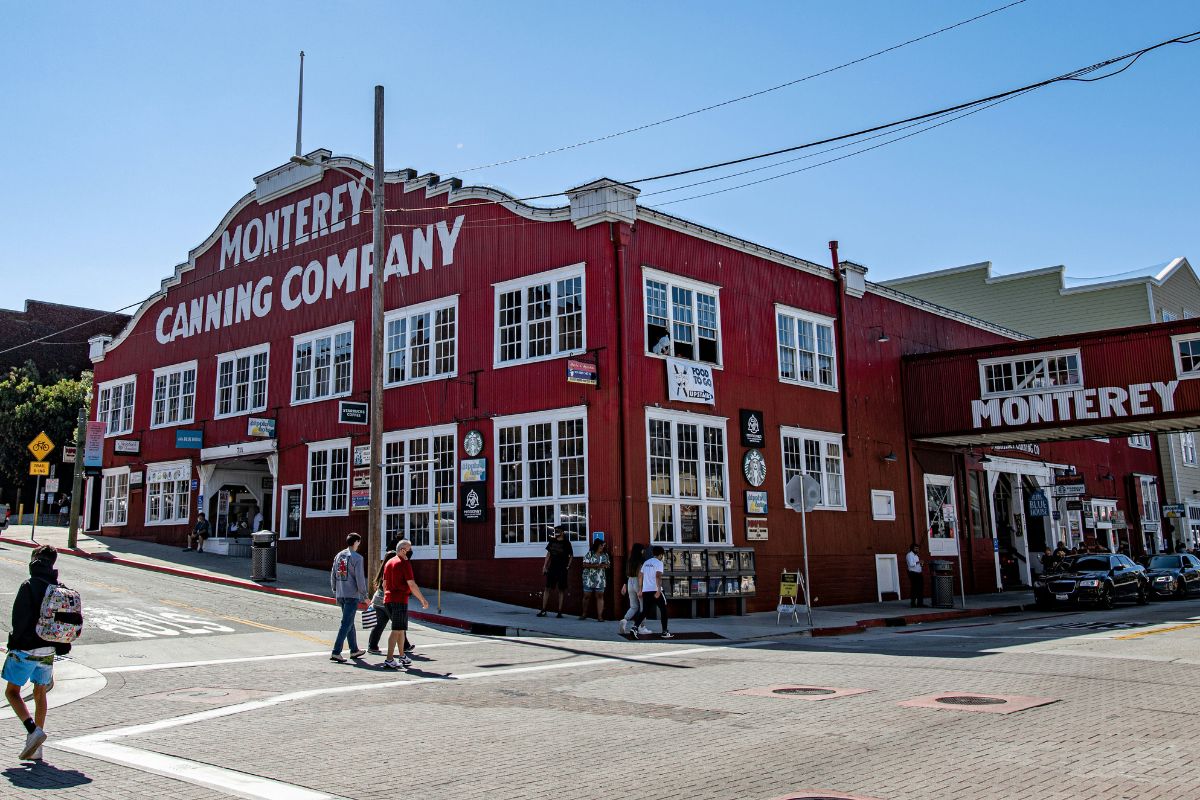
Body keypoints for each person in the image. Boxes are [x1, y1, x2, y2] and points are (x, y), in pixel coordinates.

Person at [5, 546, 78, 761]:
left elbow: (19, 620)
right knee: (40, 693)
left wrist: (14, 643)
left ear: (35, 559)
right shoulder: (56, 587)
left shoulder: (28, 585)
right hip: (48, 649)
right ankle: (36, 748)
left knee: (12, 692)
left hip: (25, 648)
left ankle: (32, 730)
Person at [381, 539, 429, 669]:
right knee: (396, 630)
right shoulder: (404, 563)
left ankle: (402, 656)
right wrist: (422, 599)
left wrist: (387, 596)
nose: (411, 551)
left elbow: (384, 584)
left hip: (388, 600)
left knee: (401, 629)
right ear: (402, 550)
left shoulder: (389, 562)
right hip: (399, 600)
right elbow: (411, 584)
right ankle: (389, 659)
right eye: (409, 549)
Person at [366, 551, 418, 656]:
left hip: (378, 600)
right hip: (388, 601)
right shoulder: (392, 569)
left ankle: (372, 646)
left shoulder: (383, 569)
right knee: (399, 624)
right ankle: (405, 646)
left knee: (379, 625)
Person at [329, 533, 367, 663]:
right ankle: (336, 651)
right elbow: (360, 579)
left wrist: (334, 589)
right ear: (356, 542)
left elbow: (333, 574)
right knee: (346, 623)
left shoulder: (339, 555)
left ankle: (354, 649)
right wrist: (365, 595)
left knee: (349, 622)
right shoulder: (357, 558)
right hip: (351, 594)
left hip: (341, 592)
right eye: (359, 542)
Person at [630, 545, 671, 639]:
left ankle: (635, 627)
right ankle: (665, 632)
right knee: (663, 610)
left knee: (644, 611)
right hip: (656, 590)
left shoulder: (646, 562)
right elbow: (658, 576)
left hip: (646, 590)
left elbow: (640, 575)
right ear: (661, 555)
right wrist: (658, 590)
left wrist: (640, 590)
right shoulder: (659, 563)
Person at [537, 525, 574, 618]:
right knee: (547, 588)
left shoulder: (566, 543)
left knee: (561, 590)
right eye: (555, 531)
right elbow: (548, 554)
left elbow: (571, 555)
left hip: (562, 568)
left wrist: (568, 566)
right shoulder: (552, 541)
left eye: (558, 531)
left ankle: (559, 612)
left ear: (562, 532)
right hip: (552, 567)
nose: (556, 532)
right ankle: (543, 610)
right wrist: (544, 566)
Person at [618, 542, 647, 635]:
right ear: (640, 550)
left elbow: (625, 574)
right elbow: (640, 575)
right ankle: (642, 627)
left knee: (633, 606)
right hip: (638, 583)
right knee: (643, 607)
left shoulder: (629, 560)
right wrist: (641, 588)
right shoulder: (642, 560)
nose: (643, 551)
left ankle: (624, 620)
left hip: (629, 581)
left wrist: (624, 585)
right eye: (642, 549)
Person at [578, 538, 610, 621]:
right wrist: (596, 566)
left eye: (603, 546)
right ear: (596, 545)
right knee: (586, 596)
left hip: (600, 578)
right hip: (588, 578)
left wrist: (605, 565)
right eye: (601, 545)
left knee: (600, 596)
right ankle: (584, 614)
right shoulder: (590, 554)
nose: (602, 547)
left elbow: (608, 565)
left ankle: (600, 616)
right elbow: (584, 564)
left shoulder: (605, 555)